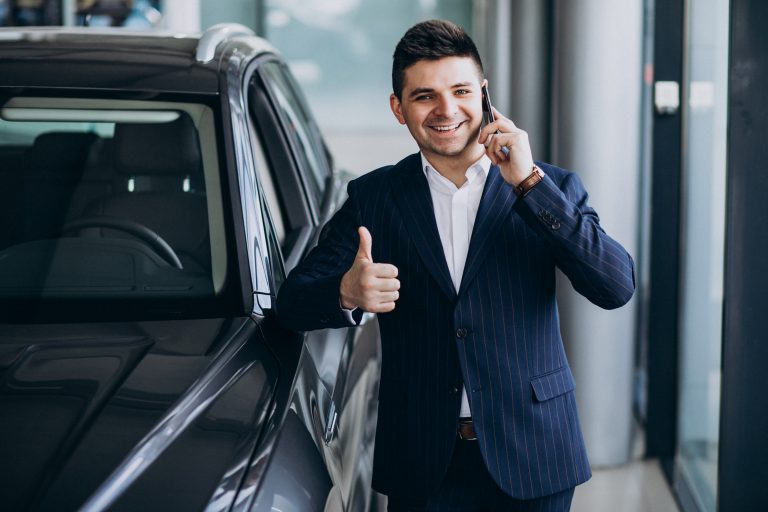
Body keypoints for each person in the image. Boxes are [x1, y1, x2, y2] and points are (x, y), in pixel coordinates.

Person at [277, 19, 635, 512]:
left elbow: (616, 285)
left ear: (484, 95)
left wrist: (529, 183)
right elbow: (292, 302)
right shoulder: (374, 197)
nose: (447, 110)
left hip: (534, 454)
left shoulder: (548, 187)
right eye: (425, 96)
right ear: (398, 109)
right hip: (423, 462)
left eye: (461, 90)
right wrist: (346, 291)